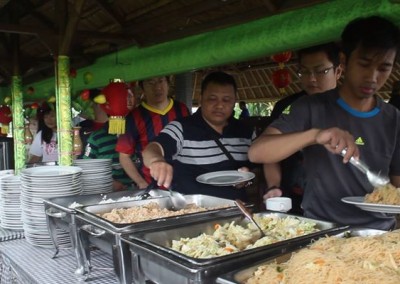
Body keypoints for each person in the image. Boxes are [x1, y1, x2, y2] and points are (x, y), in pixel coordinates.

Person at [249, 15, 400, 230]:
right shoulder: (310, 107)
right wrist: (314, 136)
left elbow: (396, 184)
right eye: (364, 64)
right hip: (322, 229)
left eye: (384, 68)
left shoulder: (394, 119)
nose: (373, 77)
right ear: (344, 61)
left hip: (378, 233)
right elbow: (257, 152)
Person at [142, 71, 255, 200]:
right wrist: (156, 161)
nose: (219, 105)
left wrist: (248, 177)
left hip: (238, 210)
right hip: (193, 211)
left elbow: (260, 171)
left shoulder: (246, 131)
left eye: (226, 100)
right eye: (212, 99)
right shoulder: (181, 128)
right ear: (201, 99)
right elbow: (152, 149)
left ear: (235, 101)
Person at [265, 43, 342, 214]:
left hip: (339, 203)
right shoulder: (286, 107)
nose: (312, 78)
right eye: (305, 71)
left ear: (338, 71)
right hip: (291, 198)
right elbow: (268, 154)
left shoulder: (353, 108)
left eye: (320, 71)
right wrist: (274, 186)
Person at [116, 76, 190, 189]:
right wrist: (140, 182)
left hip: (185, 184)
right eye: (150, 83)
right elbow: (124, 156)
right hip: (152, 187)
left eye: (161, 81)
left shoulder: (182, 109)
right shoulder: (134, 117)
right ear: (142, 88)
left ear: (168, 83)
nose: (157, 87)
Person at [83, 80, 135, 191]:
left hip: (139, 190)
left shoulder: (138, 133)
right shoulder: (96, 138)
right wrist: (110, 182)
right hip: (107, 192)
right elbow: (86, 168)